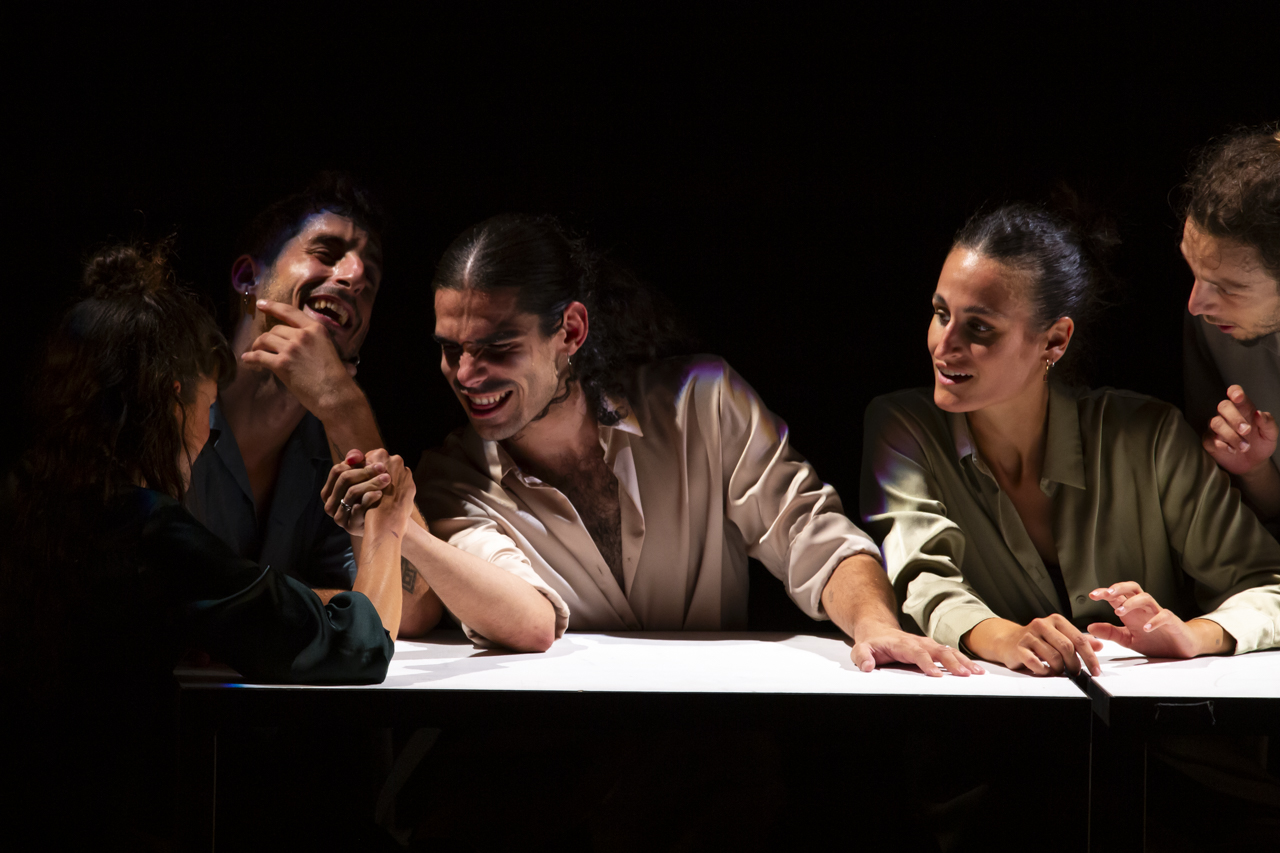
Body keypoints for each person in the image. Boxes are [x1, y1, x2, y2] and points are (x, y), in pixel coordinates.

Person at [330, 212, 974, 672]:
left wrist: (875, 625)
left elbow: (815, 539)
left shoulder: (702, 403)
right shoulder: (454, 477)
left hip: (719, 747)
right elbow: (528, 618)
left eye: (497, 347)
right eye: (451, 350)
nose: (466, 375)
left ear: (570, 331)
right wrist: (402, 524)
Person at [861, 202, 1280, 848]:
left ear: (1054, 341)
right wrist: (1005, 636)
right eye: (941, 313)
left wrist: (1193, 635)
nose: (944, 344)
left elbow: (1268, 582)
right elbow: (921, 578)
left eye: (979, 327)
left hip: (1170, 771)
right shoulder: (901, 426)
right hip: (1000, 775)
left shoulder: (1150, 435)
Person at [0, 243, 412, 849]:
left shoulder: (25, 496)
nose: (207, 434)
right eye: (206, 408)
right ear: (173, 400)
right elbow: (358, 649)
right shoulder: (149, 531)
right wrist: (386, 528)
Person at [186, 172, 439, 636]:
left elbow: (412, 607)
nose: (355, 277)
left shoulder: (330, 448)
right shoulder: (170, 403)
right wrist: (319, 602)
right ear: (248, 277)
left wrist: (346, 407)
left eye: (371, 277)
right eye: (326, 253)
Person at [1181, 125, 1280, 532]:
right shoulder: (1216, 325)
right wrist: (1254, 469)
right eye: (1193, 270)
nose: (1196, 304)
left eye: (1228, 288)